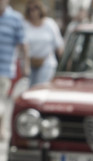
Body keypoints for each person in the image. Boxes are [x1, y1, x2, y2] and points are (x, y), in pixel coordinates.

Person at [0, 0, 27, 139]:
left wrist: (25, 65)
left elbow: (23, 43)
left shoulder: (15, 18)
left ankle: (2, 129)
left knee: (2, 99)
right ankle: (1, 129)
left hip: (5, 68)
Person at [23, 0, 63, 87]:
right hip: (30, 63)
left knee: (40, 87)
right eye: (30, 9)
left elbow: (58, 45)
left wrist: (63, 66)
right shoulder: (25, 25)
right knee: (29, 89)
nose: (33, 12)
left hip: (46, 62)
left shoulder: (50, 24)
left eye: (35, 8)